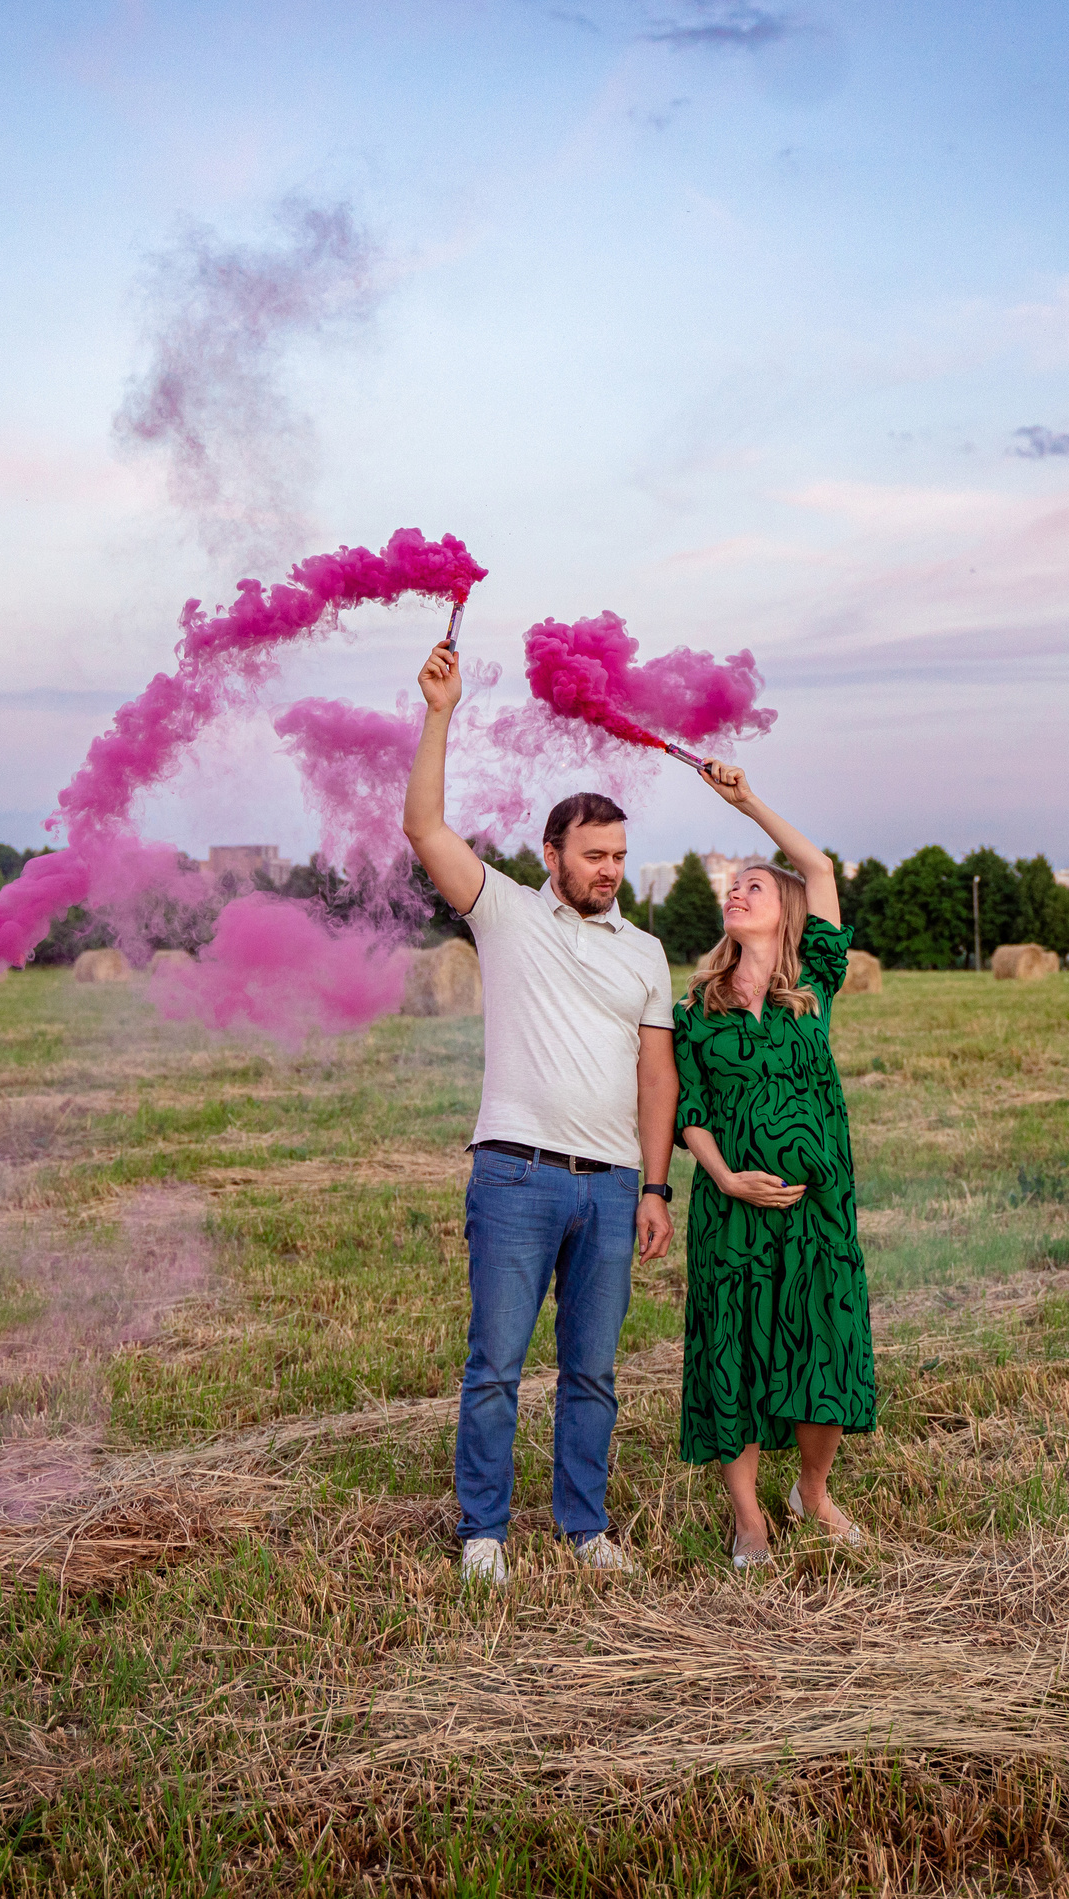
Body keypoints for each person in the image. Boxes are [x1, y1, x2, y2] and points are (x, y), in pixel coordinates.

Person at [402, 639, 677, 1586]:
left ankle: (583, 1526)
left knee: (594, 1372)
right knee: (496, 1366)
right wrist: (441, 711)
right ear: (552, 852)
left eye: (622, 856)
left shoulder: (645, 952)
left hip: (608, 1188)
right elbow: (426, 827)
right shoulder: (506, 912)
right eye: (595, 854)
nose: (611, 869)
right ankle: (484, 1531)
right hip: (514, 1172)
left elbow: (656, 1078)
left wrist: (654, 1184)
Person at [673, 763, 875, 1567]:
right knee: (736, 1353)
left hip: (818, 1207)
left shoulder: (815, 988)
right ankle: (748, 1515)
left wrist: (746, 803)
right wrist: (723, 1177)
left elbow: (820, 867)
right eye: (734, 884)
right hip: (730, 1210)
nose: (737, 890)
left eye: (755, 884)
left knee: (825, 1344)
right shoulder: (696, 1007)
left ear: (785, 911)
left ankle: (813, 1492)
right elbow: (689, 1110)